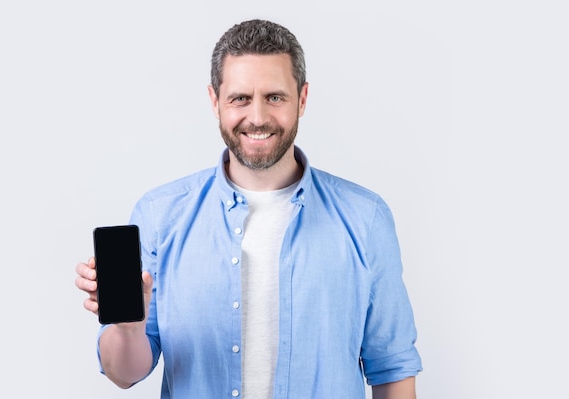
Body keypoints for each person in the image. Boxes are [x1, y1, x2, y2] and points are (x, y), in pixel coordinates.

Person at [75, 19, 422, 399]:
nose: (257, 117)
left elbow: (392, 367)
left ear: (302, 99)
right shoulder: (160, 216)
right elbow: (125, 374)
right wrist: (128, 329)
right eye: (240, 98)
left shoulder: (365, 218)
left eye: (275, 97)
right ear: (214, 101)